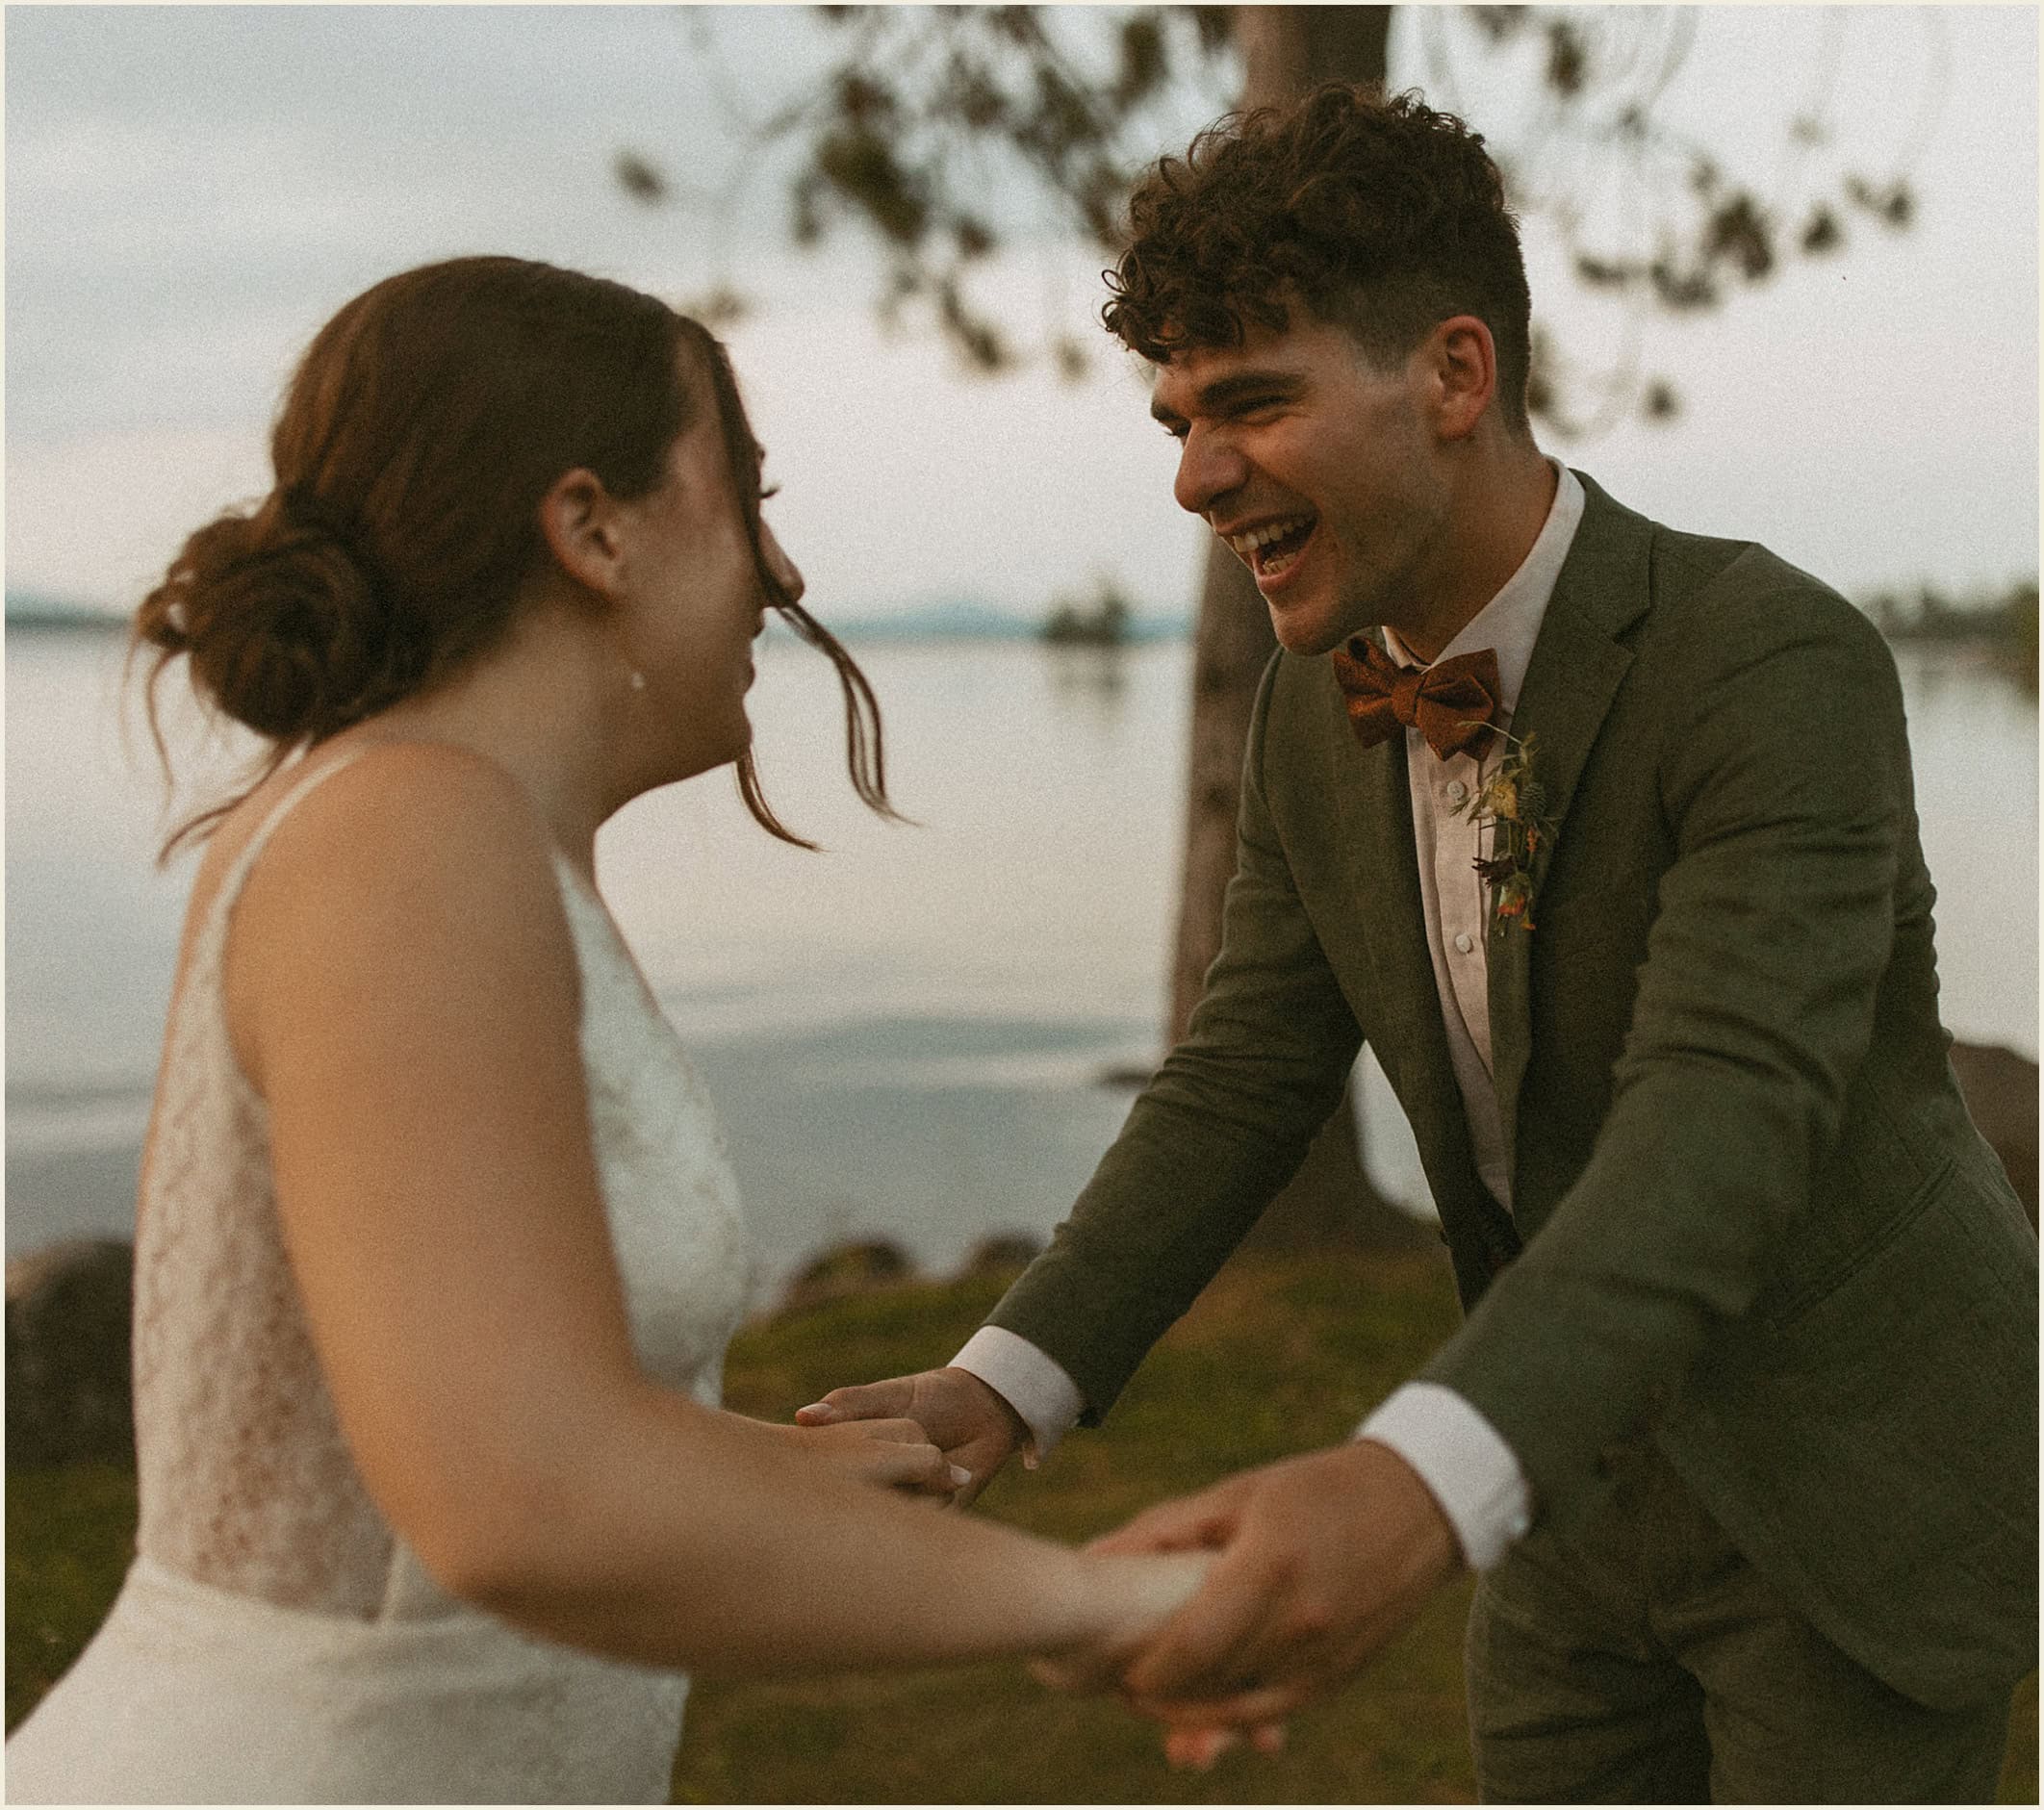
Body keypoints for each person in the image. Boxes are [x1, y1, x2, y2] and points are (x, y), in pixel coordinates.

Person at [799, 87, 2039, 1800]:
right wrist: (1000, 1381)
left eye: (1250, 402)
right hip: (1558, 1488)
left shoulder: (1773, 662)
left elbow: (1725, 1116)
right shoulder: (1318, 716)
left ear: (1455, 376)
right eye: (1173, 415)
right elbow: (1242, 1076)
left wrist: (1405, 1482)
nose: (1192, 474)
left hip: (1851, 1486)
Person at [2, 255, 1208, 1805]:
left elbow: (443, 1416)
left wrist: (848, 1467)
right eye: (747, 496)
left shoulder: (455, 830)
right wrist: (1103, 1601)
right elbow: (519, 1494)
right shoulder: (407, 836)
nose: (783, 570)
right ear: (590, 527)